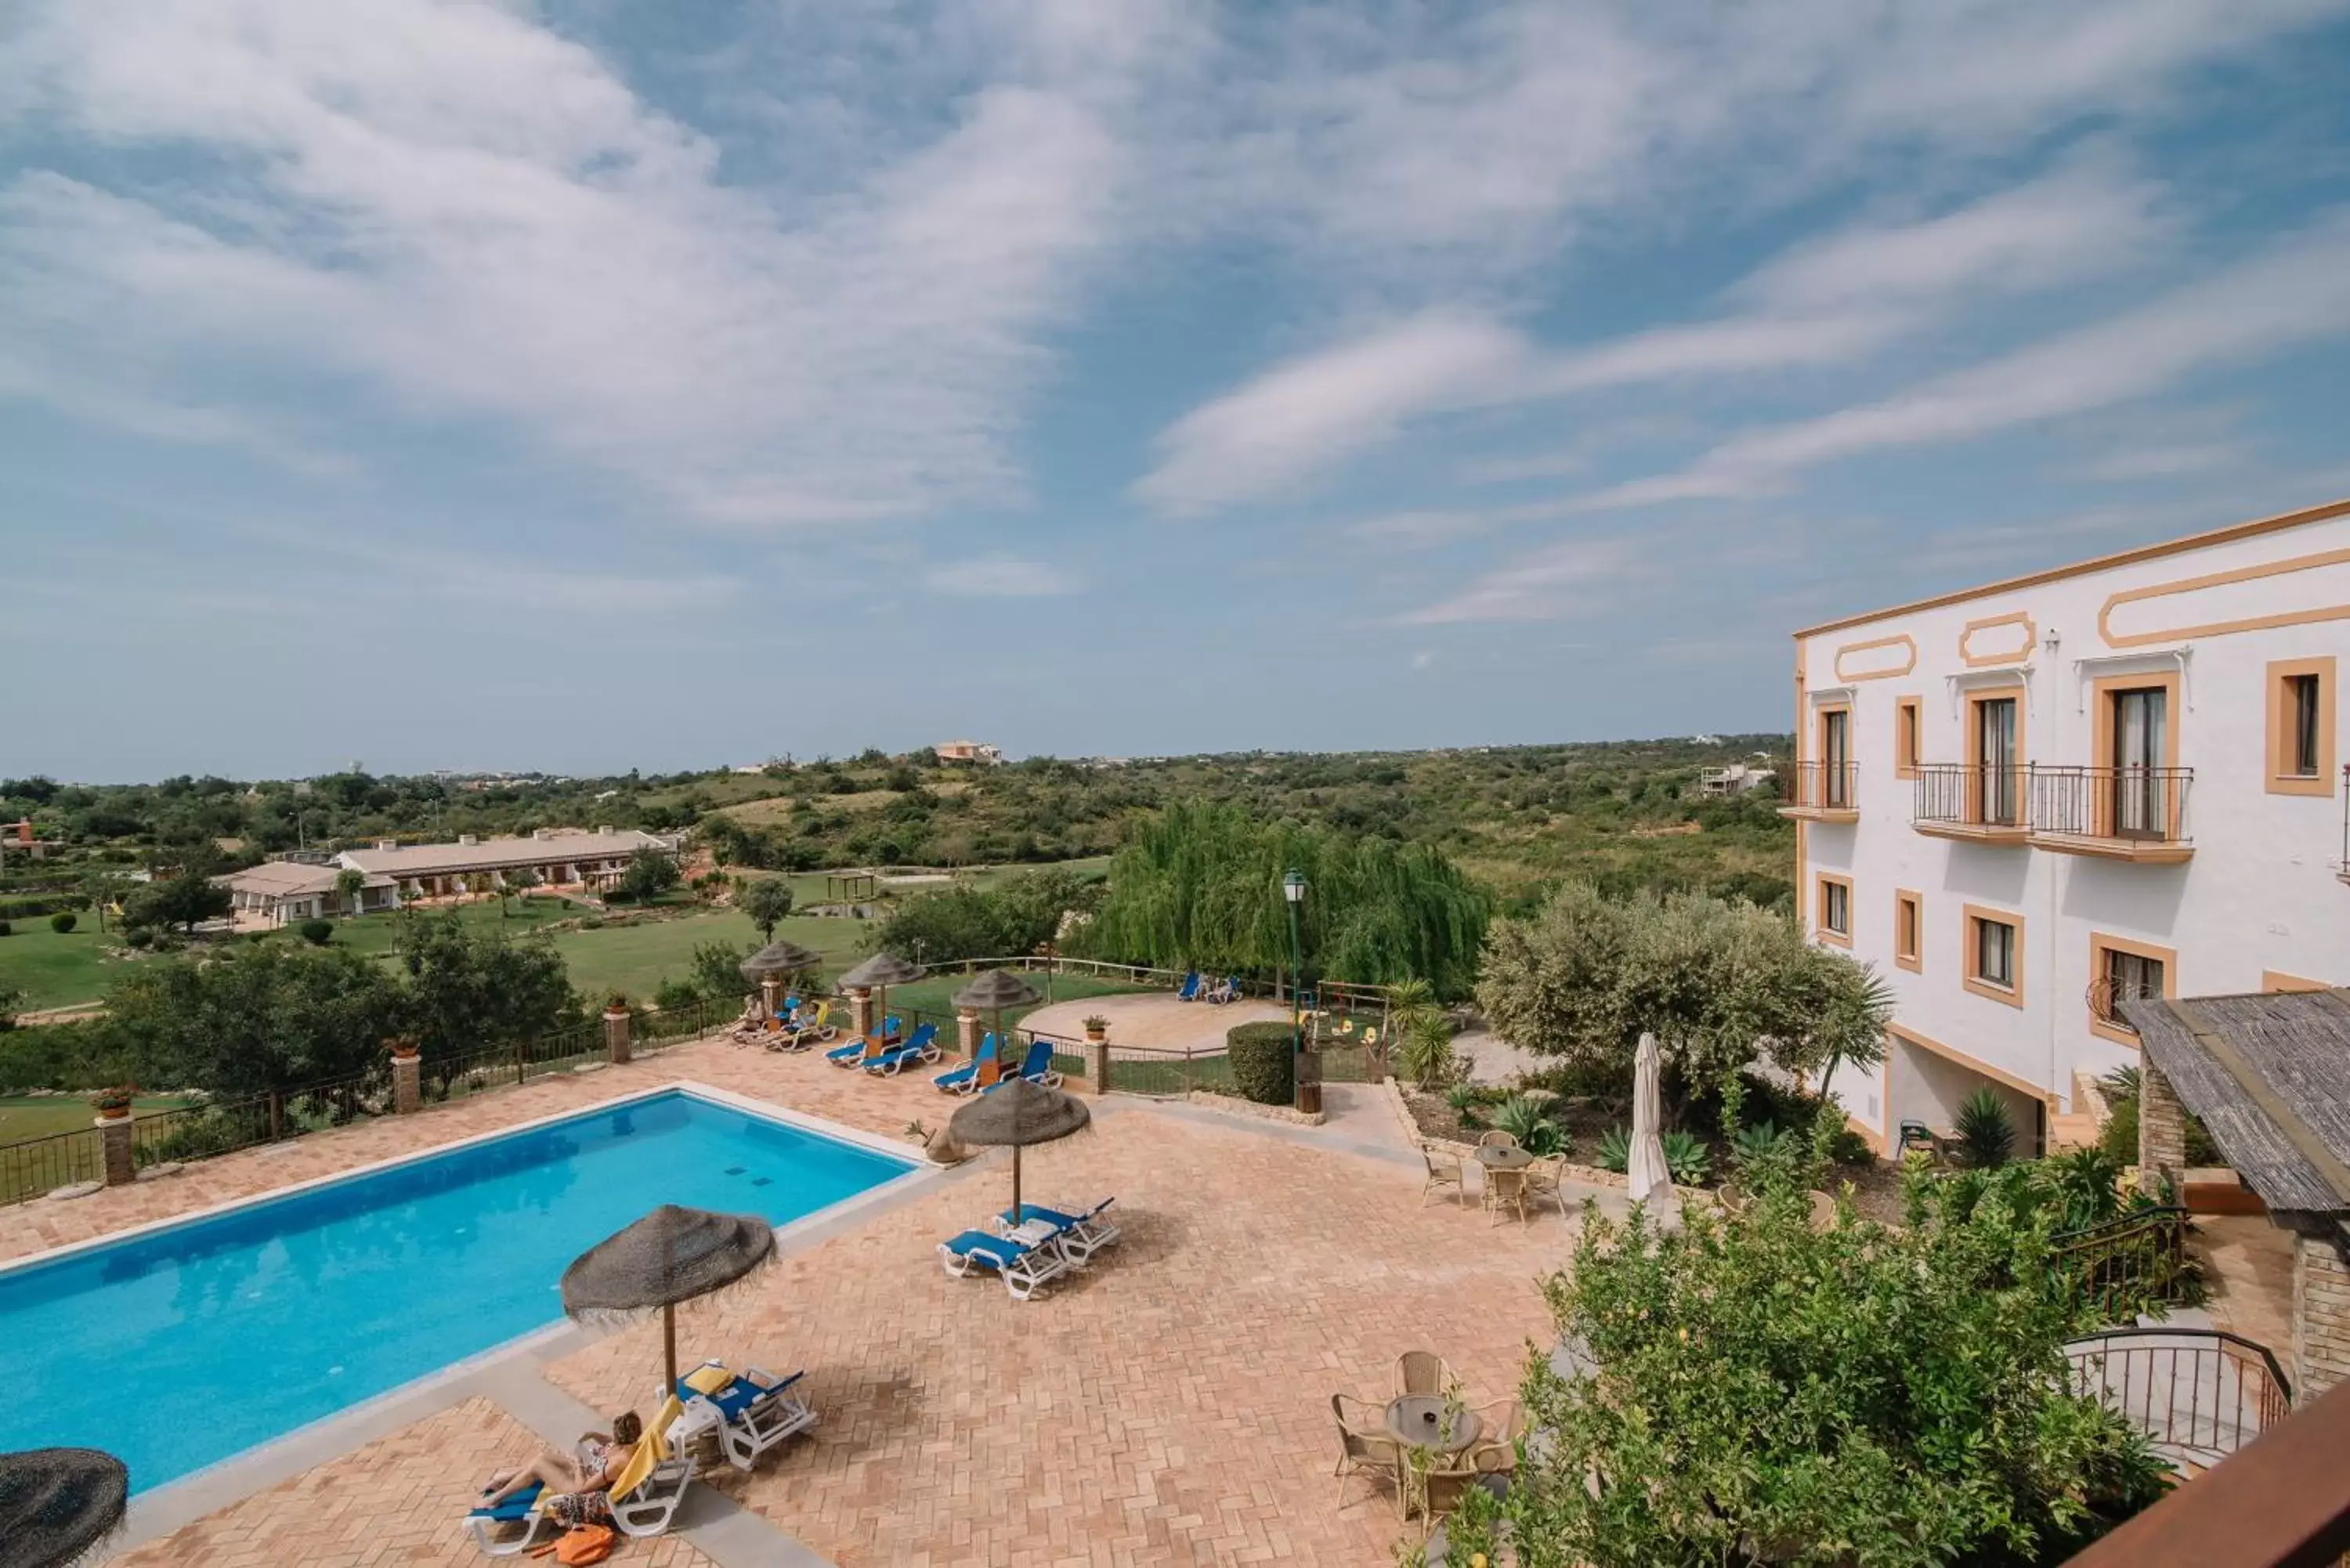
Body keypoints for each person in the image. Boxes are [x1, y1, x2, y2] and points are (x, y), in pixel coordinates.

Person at [480, 1411, 642, 1518]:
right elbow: (610, 1442)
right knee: (544, 1457)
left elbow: (582, 1489)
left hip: (578, 1489)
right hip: (588, 1470)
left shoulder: (617, 1463)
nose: (611, 1439)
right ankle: (504, 1480)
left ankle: (494, 1499)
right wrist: (594, 1435)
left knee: (539, 1465)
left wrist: (578, 1464)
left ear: (622, 1439)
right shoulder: (632, 1444)